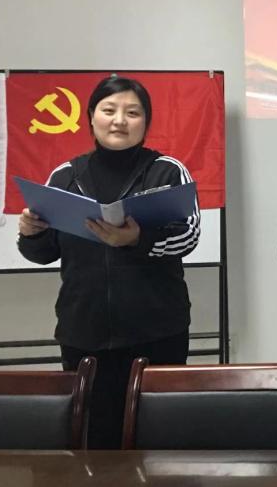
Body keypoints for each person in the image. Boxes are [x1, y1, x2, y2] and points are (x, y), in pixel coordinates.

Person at [17, 76, 200, 449]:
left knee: (158, 442)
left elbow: (189, 237)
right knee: (94, 444)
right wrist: (30, 233)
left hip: (157, 332)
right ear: (91, 117)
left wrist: (136, 240)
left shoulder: (167, 171)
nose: (119, 120)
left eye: (132, 112)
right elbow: (43, 252)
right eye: (109, 110)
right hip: (84, 333)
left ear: (146, 122)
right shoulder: (65, 176)